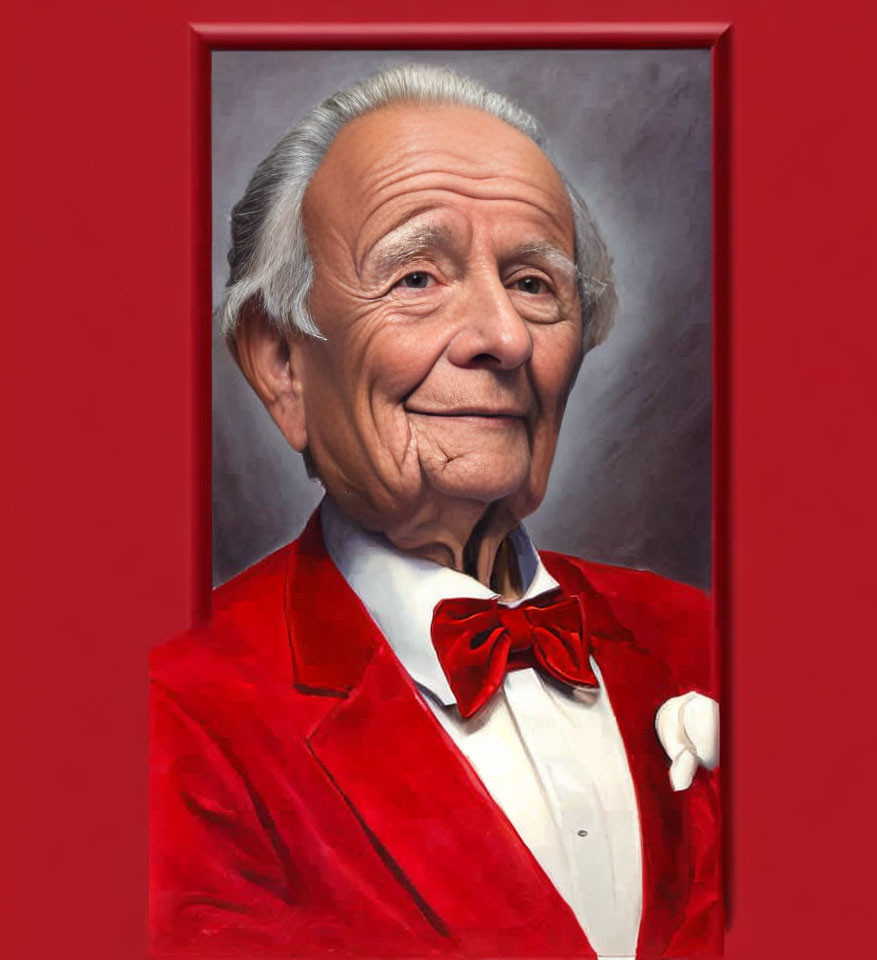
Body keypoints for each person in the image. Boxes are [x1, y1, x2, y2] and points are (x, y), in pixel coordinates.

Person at [149, 64, 721, 960]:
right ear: (281, 364)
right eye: (416, 277)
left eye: (536, 282)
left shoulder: (710, 642)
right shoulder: (173, 717)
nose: (502, 335)